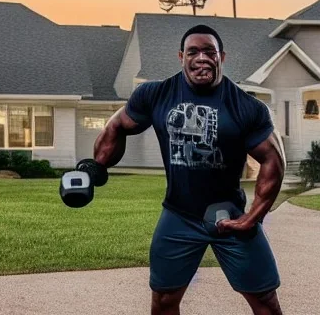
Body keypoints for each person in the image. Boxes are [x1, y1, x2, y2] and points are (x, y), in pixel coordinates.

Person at [90, 24, 285, 315]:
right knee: (164, 299)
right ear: (181, 56)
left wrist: (251, 219)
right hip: (178, 215)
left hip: (229, 215)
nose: (202, 58)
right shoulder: (155, 95)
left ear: (222, 57)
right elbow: (116, 126)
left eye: (210, 51)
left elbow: (273, 160)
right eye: (193, 51)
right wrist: (95, 167)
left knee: (264, 299)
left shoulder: (246, 107)